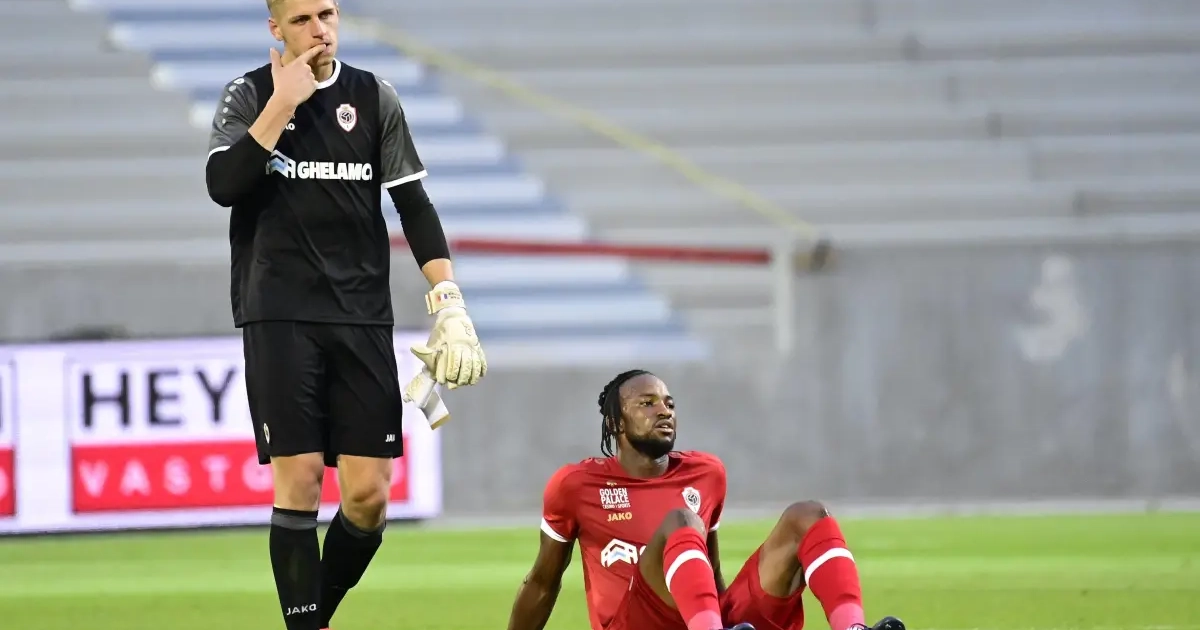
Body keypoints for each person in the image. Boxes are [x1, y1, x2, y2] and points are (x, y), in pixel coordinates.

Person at [203, 1, 487, 629]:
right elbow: (224, 184)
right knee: (301, 479)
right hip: (279, 313)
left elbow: (413, 203)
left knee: (368, 498)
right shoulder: (248, 95)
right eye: (302, 19)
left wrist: (448, 299)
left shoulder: (374, 96)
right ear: (276, 28)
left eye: (327, 14)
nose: (319, 29)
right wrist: (283, 103)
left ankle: (316, 615)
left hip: (362, 316)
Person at [506, 370, 906, 630]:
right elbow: (542, 581)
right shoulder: (575, 484)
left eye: (669, 403)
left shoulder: (707, 473)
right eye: (647, 403)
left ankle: (852, 626)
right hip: (634, 622)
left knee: (808, 515)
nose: (664, 411)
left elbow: (710, 574)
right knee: (680, 521)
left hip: (703, 619)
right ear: (615, 422)